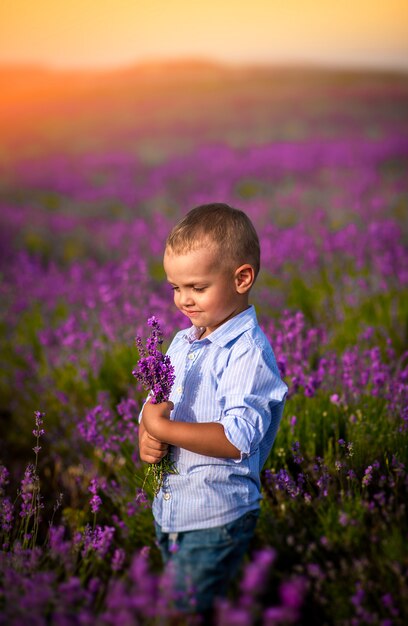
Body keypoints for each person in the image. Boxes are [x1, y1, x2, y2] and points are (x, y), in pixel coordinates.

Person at [138, 203, 287, 621]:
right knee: (193, 606)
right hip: (173, 508)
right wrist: (147, 434)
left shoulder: (248, 353)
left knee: (179, 612)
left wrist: (161, 428)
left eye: (197, 288)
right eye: (174, 287)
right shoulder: (183, 342)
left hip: (217, 513)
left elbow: (236, 437)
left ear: (242, 278)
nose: (183, 300)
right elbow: (158, 400)